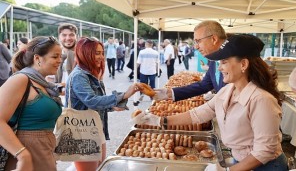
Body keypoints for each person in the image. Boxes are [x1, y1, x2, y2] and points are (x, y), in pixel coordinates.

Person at [135, 34, 288, 171]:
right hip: (241, 160)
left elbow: (265, 150)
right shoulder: (227, 91)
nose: (219, 67)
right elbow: (198, 114)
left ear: (243, 64)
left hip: (265, 166)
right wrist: (159, 121)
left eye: (224, 62)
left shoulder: (261, 100)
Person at [66, 37, 140, 171]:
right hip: (82, 134)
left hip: (95, 129)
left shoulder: (92, 74)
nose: (101, 57)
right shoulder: (79, 75)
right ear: (84, 54)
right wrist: (123, 95)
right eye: (96, 53)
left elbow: (97, 101)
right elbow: (92, 101)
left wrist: (112, 106)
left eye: (102, 53)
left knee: (99, 167)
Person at [0, 36, 63, 170]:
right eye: (55, 56)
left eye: (60, 56)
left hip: (43, 152)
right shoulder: (21, 79)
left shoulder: (42, 83)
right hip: (26, 155)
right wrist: (22, 155)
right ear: (37, 58)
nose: (60, 61)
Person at [154, 21, 226, 101]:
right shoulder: (214, 60)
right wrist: (171, 92)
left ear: (214, 39)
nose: (196, 47)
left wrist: (218, 98)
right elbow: (204, 85)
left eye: (198, 41)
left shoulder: (236, 61)